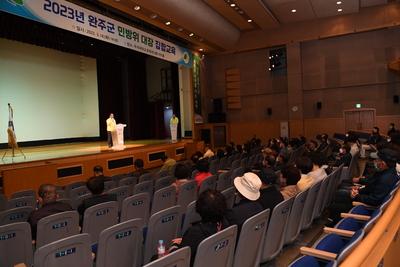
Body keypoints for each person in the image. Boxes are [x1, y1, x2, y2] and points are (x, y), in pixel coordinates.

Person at [328, 148, 399, 225]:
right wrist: (359, 191)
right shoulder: (386, 173)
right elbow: (372, 186)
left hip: (367, 206)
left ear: (383, 163)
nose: (375, 161)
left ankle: (339, 225)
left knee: (333, 207)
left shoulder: (385, 179)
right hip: (365, 196)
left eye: (377, 160)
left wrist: (357, 196)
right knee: (340, 194)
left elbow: (374, 200)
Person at [168, 189, 229, 267]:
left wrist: (175, 245)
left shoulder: (195, 232)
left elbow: (179, 260)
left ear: (199, 208)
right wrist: (186, 240)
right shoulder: (224, 223)